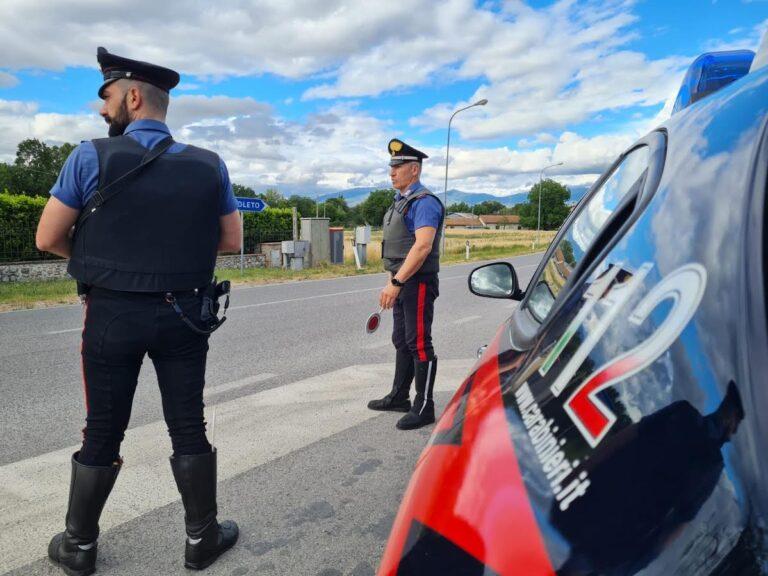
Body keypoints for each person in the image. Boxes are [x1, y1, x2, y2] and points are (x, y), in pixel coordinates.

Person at [35, 47, 242, 575]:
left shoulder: (89, 157)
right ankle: (201, 538)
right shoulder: (209, 164)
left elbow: (47, 238)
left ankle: (79, 546)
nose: (102, 111)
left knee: (102, 429)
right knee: (187, 424)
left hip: (111, 316)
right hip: (186, 315)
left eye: (106, 99)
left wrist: (103, 261)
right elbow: (231, 241)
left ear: (131, 97)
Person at [368, 139, 445, 430]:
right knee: (401, 340)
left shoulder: (424, 203)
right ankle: (399, 396)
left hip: (418, 283)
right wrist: (392, 281)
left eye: (398, 166)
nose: (392, 172)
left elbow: (423, 247)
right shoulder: (400, 202)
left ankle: (424, 406)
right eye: (391, 166)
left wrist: (398, 281)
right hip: (401, 283)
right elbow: (399, 248)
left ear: (414, 170)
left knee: (420, 343)